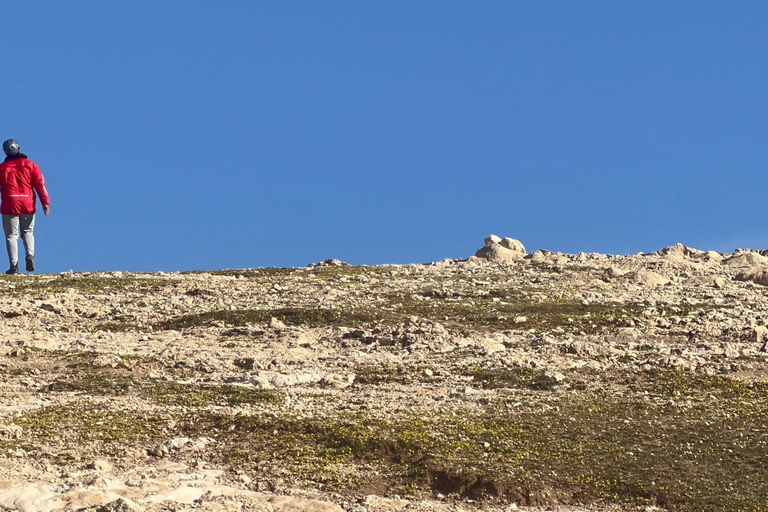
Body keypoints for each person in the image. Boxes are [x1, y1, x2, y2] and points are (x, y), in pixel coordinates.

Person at [0, 139, 50, 274]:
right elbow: (40, 184)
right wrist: (45, 203)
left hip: (9, 204)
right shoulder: (30, 165)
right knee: (27, 231)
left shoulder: (2, 168)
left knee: (11, 236)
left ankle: (13, 266)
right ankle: (30, 255)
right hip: (27, 203)